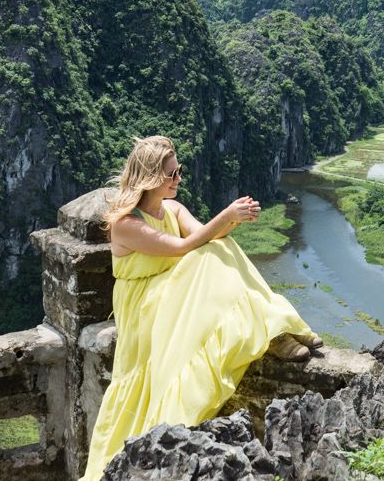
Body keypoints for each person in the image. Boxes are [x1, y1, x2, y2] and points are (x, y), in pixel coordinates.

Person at [79, 135, 322, 481]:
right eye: (171, 174)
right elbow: (183, 247)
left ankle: (273, 329)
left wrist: (230, 223)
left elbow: (208, 239)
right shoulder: (125, 224)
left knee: (220, 248)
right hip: (143, 307)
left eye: (178, 171)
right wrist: (225, 215)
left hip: (172, 292)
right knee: (208, 251)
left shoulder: (173, 209)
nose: (178, 178)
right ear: (150, 178)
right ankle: (273, 329)